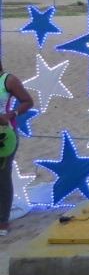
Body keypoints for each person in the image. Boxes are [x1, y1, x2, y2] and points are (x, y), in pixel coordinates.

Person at [0, 65, 34, 236]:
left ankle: (3, 221)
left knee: (2, 175)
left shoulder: (7, 80)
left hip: (4, 135)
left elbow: (28, 101)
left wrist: (10, 114)